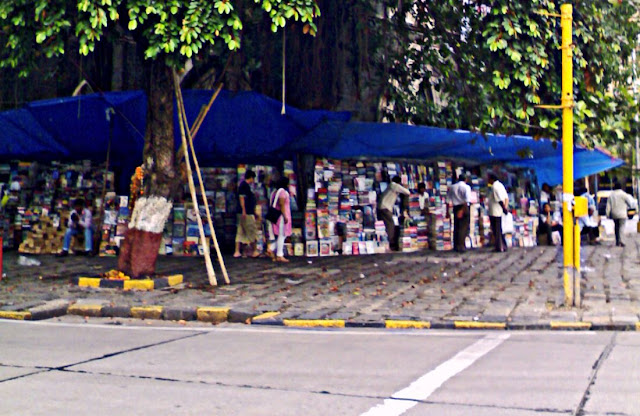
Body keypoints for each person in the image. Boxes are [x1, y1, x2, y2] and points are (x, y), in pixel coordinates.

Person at [378, 176, 410, 251]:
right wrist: (404, 186)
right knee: (390, 225)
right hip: (385, 208)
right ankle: (391, 244)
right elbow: (407, 192)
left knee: (387, 225)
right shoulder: (394, 185)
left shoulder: (390, 186)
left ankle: (389, 242)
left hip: (382, 207)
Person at [234, 170, 260, 258]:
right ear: (251, 178)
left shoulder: (243, 186)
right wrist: (244, 210)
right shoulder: (244, 186)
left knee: (240, 231)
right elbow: (242, 198)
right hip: (247, 213)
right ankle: (255, 250)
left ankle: (237, 251)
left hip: (242, 212)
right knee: (251, 230)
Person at [268, 177, 292, 262]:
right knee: (282, 235)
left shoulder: (274, 192)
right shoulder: (282, 192)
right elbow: (281, 204)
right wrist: (285, 216)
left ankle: (271, 249)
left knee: (281, 235)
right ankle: (279, 254)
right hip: (281, 217)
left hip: (277, 216)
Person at [606, 182, 636, 247]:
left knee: (616, 227)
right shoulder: (624, 194)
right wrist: (630, 207)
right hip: (622, 214)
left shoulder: (611, 195)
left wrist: (607, 214)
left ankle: (617, 241)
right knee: (621, 227)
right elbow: (630, 203)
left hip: (614, 214)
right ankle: (621, 241)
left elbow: (608, 206)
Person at [447, 174, 472, 252]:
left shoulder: (452, 187)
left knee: (456, 226)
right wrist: (462, 210)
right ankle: (461, 245)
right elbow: (466, 200)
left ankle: (456, 245)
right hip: (463, 207)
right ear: (465, 179)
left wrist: (447, 211)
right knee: (463, 227)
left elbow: (448, 200)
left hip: (455, 207)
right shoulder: (466, 187)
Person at [487, 172, 509, 252]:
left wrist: (504, 208)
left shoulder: (495, 187)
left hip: (495, 211)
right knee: (499, 229)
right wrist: (505, 207)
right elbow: (506, 197)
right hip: (498, 211)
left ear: (492, 179)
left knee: (496, 230)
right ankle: (503, 245)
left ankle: (499, 247)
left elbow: (499, 199)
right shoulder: (500, 185)